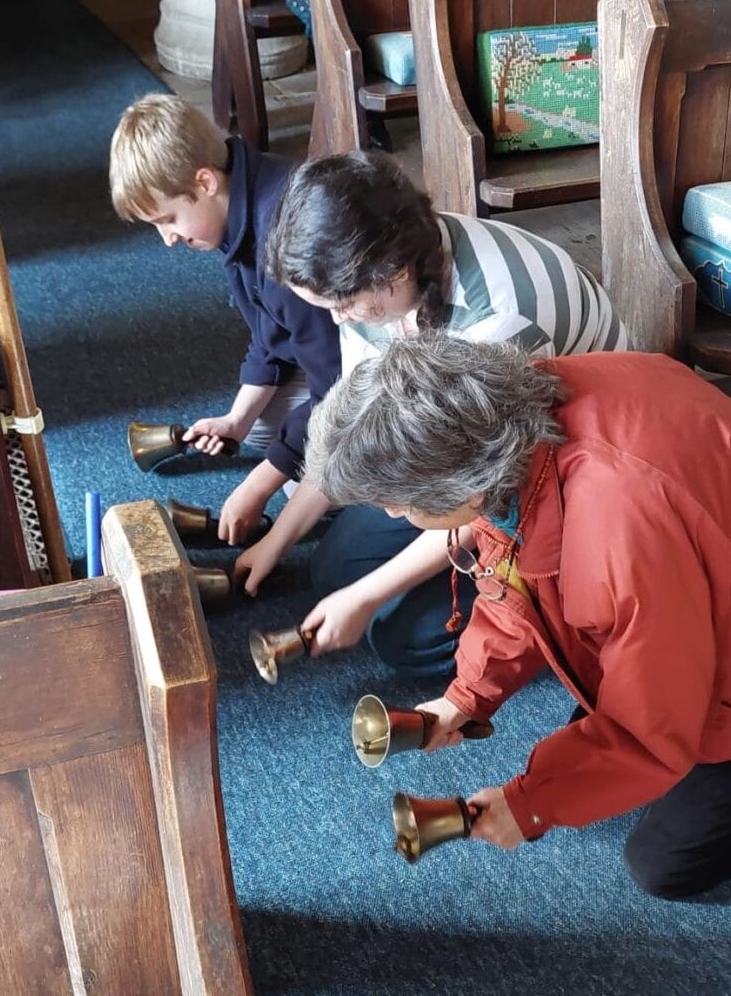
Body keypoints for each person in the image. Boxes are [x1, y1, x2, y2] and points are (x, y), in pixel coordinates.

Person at [303, 333, 731, 898]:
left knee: (662, 865)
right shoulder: (506, 418)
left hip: (710, 643)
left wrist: (529, 804)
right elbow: (515, 580)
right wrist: (468, 695)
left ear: (464, 487)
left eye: (400, 502)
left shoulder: (619, 524)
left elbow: (652, 720)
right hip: (695, 599)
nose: (393, 513)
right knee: (592, 752)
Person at [235, 150, 628, 674]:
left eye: (341, 305)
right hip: (473, 449)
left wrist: (368, 597)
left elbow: (485, 495)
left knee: (407, 639)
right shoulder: (379, 279)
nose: (337, 319)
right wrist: (277, 539)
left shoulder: (498, 322)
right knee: (334, 570)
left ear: (391, 272)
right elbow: (356, 424)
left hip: (565, 469)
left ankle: (548, 621)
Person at [109, 94, 341, 543]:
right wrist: (236, 419)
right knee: (260, 430)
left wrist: (259, 485)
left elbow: (341, 388)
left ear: (205, 182)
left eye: (168, 219)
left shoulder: (285, 243)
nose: (168, 240)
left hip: (388, 370)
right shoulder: (240, 205)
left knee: (299, 472)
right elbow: (271, 332)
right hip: (339, 358)